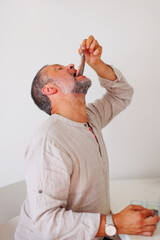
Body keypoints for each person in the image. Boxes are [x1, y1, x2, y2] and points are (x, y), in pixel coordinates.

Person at [15, 35, 159, 240]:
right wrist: (115, 223)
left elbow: (122, 94)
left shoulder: (90, 117)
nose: (71, 64)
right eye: (59, 68)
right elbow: (47, 224)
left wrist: (96, 64)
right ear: (50, 89)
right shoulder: (48, 141)